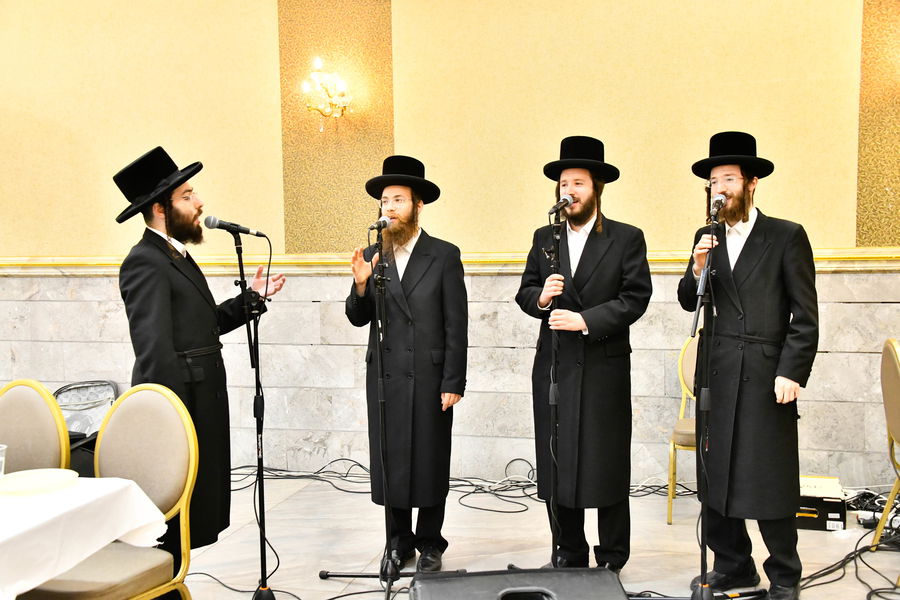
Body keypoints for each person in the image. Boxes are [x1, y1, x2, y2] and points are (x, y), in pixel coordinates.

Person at [114, 146, 285, 565]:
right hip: (183, 400)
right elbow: (153, 349)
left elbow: (203, 325)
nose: (199, 203)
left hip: (203, 394)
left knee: (198, 503)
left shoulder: (174, 255)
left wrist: (251, 298)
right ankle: (163, 578)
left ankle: (174, 575)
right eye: (187, 196)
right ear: (160, 208)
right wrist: (170, 420)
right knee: (176, 505)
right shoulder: (145, 262)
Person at [678, 131, 818, 600]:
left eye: (729, 179)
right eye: (714, 181)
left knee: (768, 475)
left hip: (765, 373)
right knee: (715, 473)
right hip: (716, 372)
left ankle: (785, 575)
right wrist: (697, 268)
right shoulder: (706, 237)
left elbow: (805, 314)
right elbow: (688, 301)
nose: (720, 189)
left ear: (751, 183)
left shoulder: (786, 235)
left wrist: (791, 371)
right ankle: (733, 565)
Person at [515, 136, 652, 572]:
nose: (568, 191)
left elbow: (635, 297)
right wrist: (542, 297)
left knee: (605, 461)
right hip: (554, 367)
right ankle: (568, 551)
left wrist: (585, 319)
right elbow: (525, 292)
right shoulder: (545, 237)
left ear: (596, 189)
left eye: (577, 183)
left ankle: (611, 556)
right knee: (558, 461)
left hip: (602, 367)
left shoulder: (626, 237)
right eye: (563, 184)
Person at [346, 155, 467, 575]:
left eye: (398, 199)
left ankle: (430, 542)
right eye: (385, 201)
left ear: (418, 205)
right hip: (386, 377)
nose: (390, 208)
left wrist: (454, 380)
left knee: (431, 458)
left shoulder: (444, 254)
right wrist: (360, 284)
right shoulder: (371, 253)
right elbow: (357, 317)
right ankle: (397, 542)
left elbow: (456, 323)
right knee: (391, 458)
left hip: (431, 376)